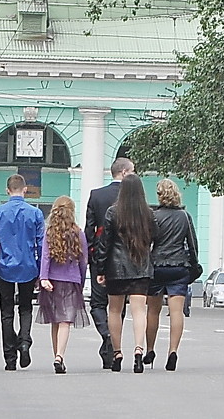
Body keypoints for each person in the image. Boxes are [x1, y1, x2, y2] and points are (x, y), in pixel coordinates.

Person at [92, 173, 156, 374]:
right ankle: (138, 351)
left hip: (116, 268)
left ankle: (117, 354)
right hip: (141, 267)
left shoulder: (113, 212)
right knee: (139, 311)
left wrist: (100, 269)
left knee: (114, 310)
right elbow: (155, 237)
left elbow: (105, 243)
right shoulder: (148, 213)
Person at [143, 178, 200, 372]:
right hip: (179, 266)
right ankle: (173, 351)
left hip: (157, 266)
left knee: (152, 311)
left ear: (160, 195)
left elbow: (147, 242)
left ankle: (150, 349)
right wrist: (194, 265)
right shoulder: (184, 216)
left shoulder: (153, 216)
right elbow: (192, 244)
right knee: (176, 312)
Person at [0, 173, 44, 371]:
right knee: (26, 307)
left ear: (7, 190)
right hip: (29, 265)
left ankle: (9, 357)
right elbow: (41, 244)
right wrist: (41, 269)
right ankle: (25, 341)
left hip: (5, 265)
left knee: (6, 311)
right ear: (25, 189)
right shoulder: (35, 213)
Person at [84, 156, 134, 368]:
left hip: (100, 255)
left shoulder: (97, 195)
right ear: (123, 173)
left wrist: (89, 255)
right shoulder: (132, 198)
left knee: (98, 303)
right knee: (119, 306)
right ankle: (113, 344)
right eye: (132, 171)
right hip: (126, 257)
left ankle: (106, 335)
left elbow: (89, 229)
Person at [38, 196, 89, 375]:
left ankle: (56, 356)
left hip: (52, 281)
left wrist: (43, 277)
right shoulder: (78, 232)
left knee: (55, 320)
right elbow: (84, 261)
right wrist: (81, 281)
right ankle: (60, 355)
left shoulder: (50, 232)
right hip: (71, 281)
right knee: (65, 321)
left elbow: (45, 256)